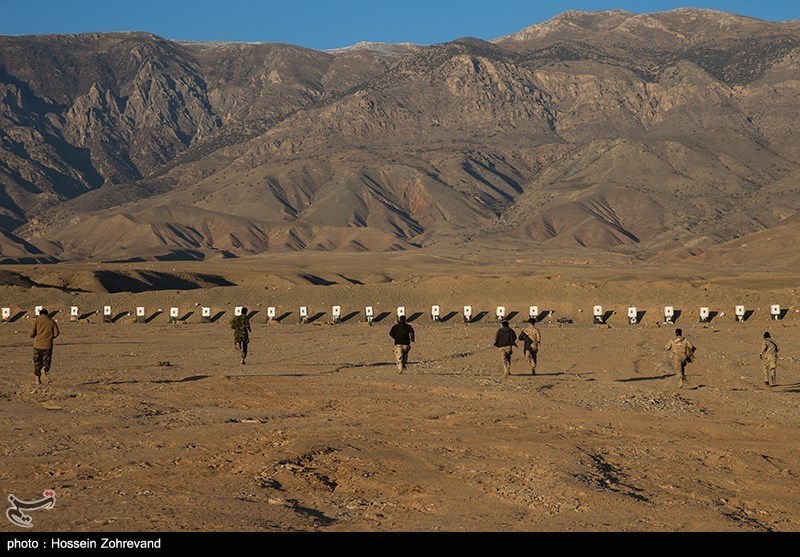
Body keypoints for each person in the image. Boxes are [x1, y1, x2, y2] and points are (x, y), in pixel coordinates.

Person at [29, 308, 60, 385]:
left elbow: (31, 334)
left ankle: (37, 379)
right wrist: (50, 338)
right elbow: (56, 333)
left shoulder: (36, 321)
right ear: (47, 314)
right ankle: (44, 369)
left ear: (40, 314)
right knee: (46, 361)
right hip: (48, 345)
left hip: (38, 345)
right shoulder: (51, 321)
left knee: (37, 362)